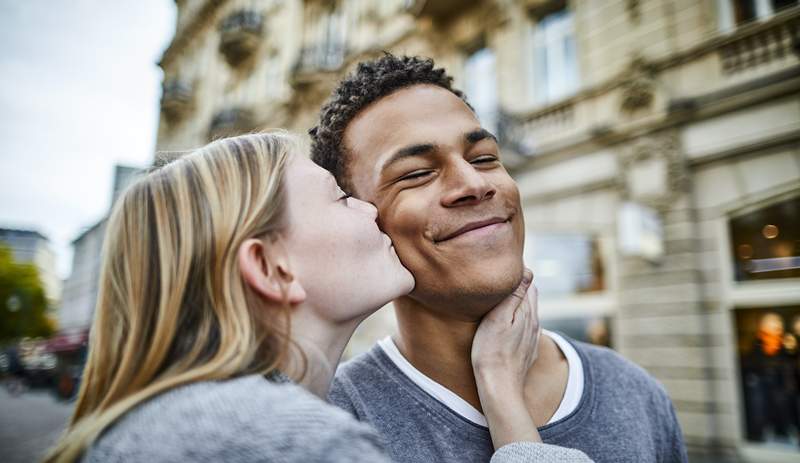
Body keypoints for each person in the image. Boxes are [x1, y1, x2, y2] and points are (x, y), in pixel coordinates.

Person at [45, 132, 591, 462]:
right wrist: (503, 392)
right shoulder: (290, 443)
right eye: (338, 199)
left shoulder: (172, 421)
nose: (370, 209)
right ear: (270, 267)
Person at [309, 54, 688, 463]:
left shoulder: (635, 390)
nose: (474, 184)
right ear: (361, 222)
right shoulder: (329, 427)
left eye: (484, 158)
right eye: (416, 172)